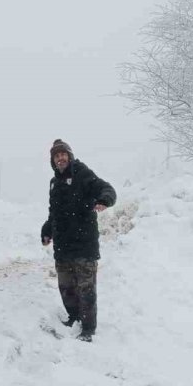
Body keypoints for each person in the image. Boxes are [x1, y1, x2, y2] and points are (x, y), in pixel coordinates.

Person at [41, 139, 116, 342]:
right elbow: (53, 213)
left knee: (86, 289)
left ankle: (88, 329)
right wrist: (47, 230)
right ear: (53, 161)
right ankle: (74, 318)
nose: (60, 158)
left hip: (84, 244)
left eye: (63, 154)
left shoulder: (83, 174)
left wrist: (104, 200)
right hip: (63, 247)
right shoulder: (54, 183)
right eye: (56, 156)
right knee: (66, 287)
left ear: (70, 156)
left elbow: (106, 188)